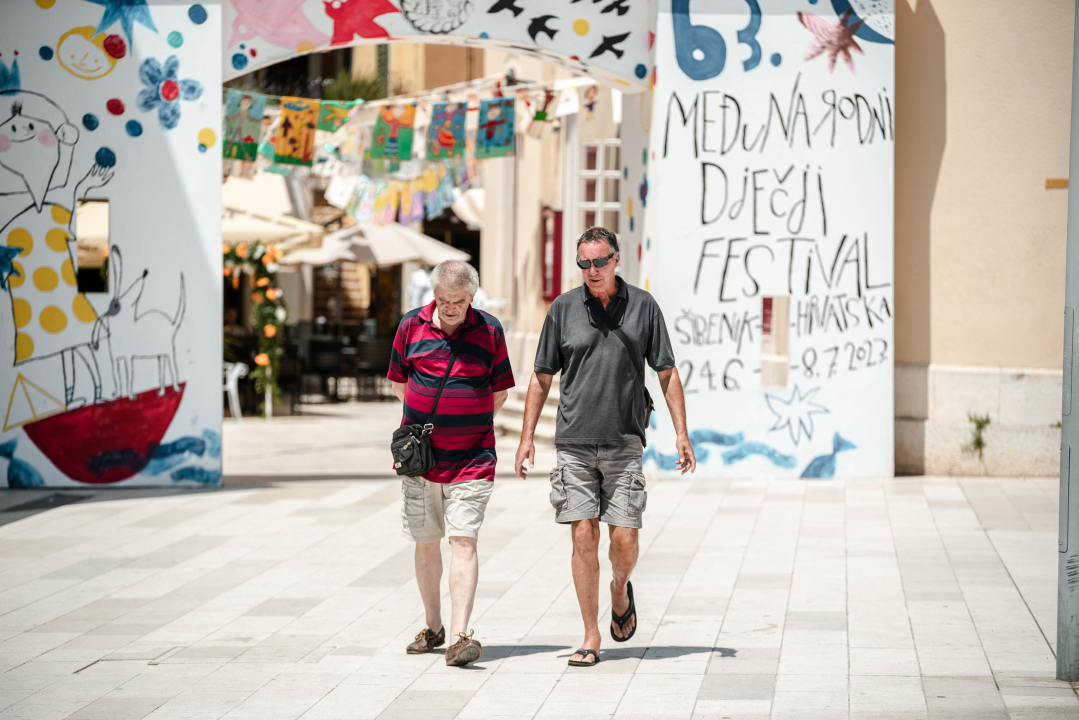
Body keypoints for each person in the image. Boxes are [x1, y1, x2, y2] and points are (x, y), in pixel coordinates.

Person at [514, 226, 696, 667]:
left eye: (599, 261)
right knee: (583, 535)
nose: (592, 270)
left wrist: (681, 432)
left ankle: (619, 589)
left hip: (624, 440)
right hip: (574, 442)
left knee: (625, 540)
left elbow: (667, 371)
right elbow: (541, 376)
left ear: (616, 259)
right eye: (584, 263)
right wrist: (526, 438)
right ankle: (591, 634)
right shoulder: (563, 309)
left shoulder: (643, 306)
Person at [388, 260, 514, 667]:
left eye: (457, 301)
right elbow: (398, 383)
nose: (449, 308)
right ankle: (433, 626)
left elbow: (499, 393)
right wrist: (426, 426)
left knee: (463, 540)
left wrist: (468, 423)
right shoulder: (410, 326)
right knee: (426, 542)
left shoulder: (490, 331)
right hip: (421, 460)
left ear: (471, 297)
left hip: (473, 457)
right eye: (442, 300)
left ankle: (460, 637)